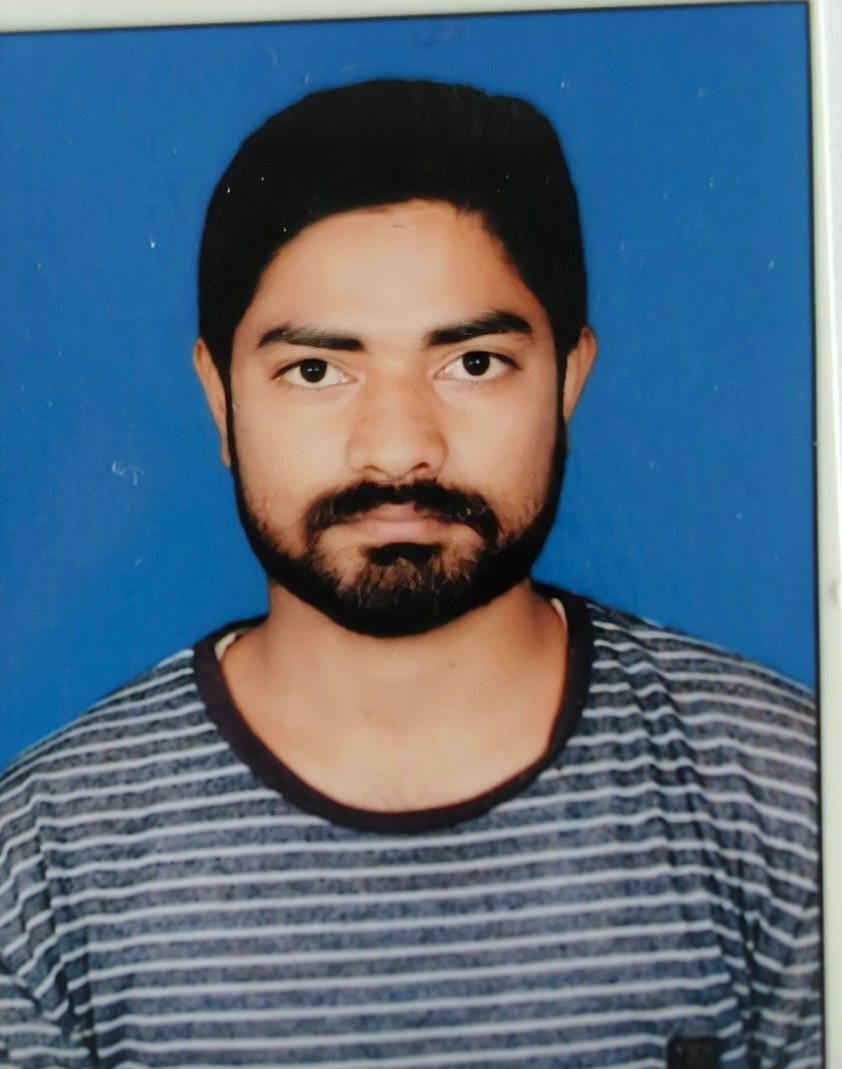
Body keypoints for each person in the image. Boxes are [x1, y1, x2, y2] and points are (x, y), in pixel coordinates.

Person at [0, 80, 819, 1068]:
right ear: (219, 399)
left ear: (569, 378)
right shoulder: (42, 861)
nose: (396, 449)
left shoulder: (790, 795)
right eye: (316, 371)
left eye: (471, 362)